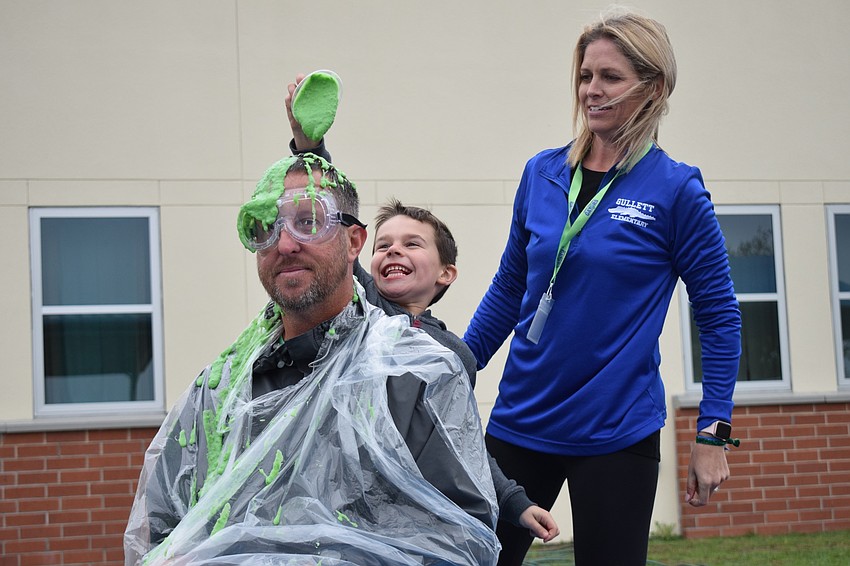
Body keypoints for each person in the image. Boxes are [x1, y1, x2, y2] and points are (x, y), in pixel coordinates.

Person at [461, 10, 742, 566]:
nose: (591, 89)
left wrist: (712, 433)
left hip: (617, 432)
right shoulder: (541, 173)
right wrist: (455, 370)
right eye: (586, 75)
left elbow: (719, 315)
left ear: (653, 88)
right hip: (522, 418)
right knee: (472, 558)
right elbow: (509, 288)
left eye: (610, 77)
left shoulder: (676, 189)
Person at [124, 153, 501, 565]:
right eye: (266, 227)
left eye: (308, 222)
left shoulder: (415, 374)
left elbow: (463, 538)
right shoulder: (219, 392)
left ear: (354, 241)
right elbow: (160, 532)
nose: (284, 244)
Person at [283, 78, 560, 544]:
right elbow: (329, 223)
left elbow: (463, 445)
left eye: (412, 244)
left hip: (420, 521)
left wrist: (517, 504)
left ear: (446, 273)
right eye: (383, 244)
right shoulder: (362, 308)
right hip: (343, 504)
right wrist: (311, 146)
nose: (394, 251)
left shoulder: (452, 355)